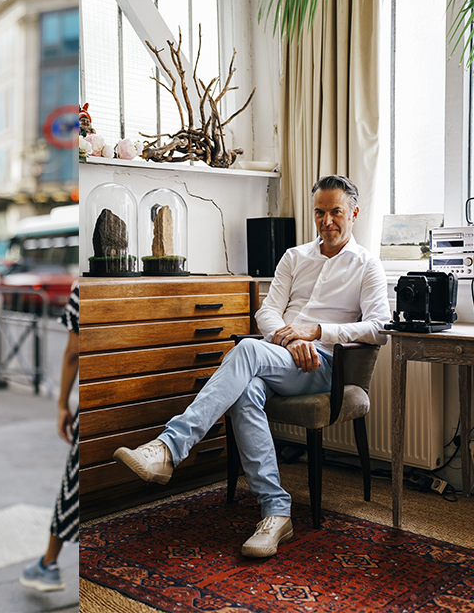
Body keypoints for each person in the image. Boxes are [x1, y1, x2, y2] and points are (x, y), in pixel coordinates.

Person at [113, 175, 391, 558]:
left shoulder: (367, 265)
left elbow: (379, 328)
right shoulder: (294, 257)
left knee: (245, 351)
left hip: (325, 364)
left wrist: (317, 331)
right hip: (281, 355)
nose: (327, 221)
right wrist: (291, 339)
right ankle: (276, 512)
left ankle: (169, 448)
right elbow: (268, 312)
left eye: (336, 212)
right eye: (320, 212)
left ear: (354, 213)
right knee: (244, 390)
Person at [20, 281, 79, 591]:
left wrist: (62, 404)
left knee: (74, 483)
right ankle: (48, 563)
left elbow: (73, 352)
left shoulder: (83, 286)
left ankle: (49, 564)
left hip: (91, 398)